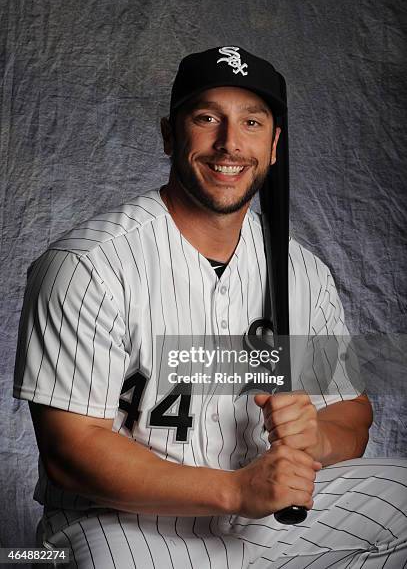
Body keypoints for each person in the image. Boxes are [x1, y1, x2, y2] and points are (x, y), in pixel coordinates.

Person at [14, 46, 407, 568]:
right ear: (169, 134)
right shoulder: (90, 264)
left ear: (273, 146)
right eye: (206, 118)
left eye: (251, 122)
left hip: (262, 519)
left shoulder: (301, 271)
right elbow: (72, 452)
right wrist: (234, 491)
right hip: (127, 522)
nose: (230, 143)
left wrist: (318, 438)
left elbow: (350, 416)